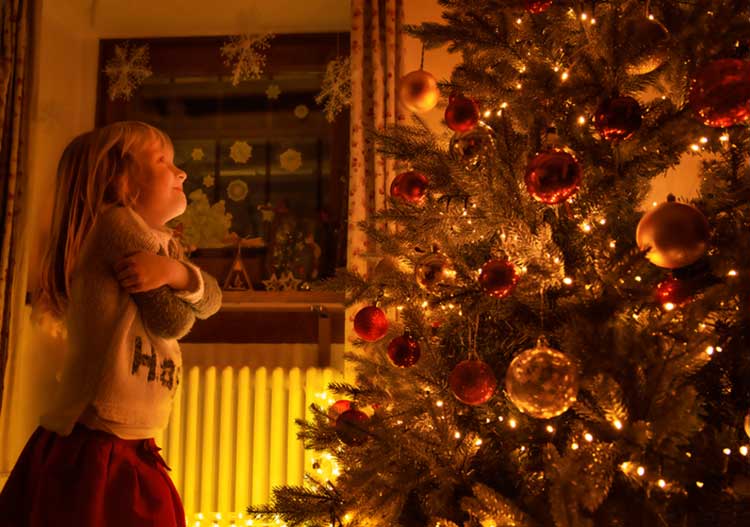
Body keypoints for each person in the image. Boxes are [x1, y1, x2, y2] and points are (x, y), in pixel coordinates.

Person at [0, 121, 222, 526]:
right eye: (162, 161)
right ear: (120, 181)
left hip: (123, 433)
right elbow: (174, 320)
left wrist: (174, 273)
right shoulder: (119, 227)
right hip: (101, 440)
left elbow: (211, 300)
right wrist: (180, 279)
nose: (181, 172)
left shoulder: (161, 243)